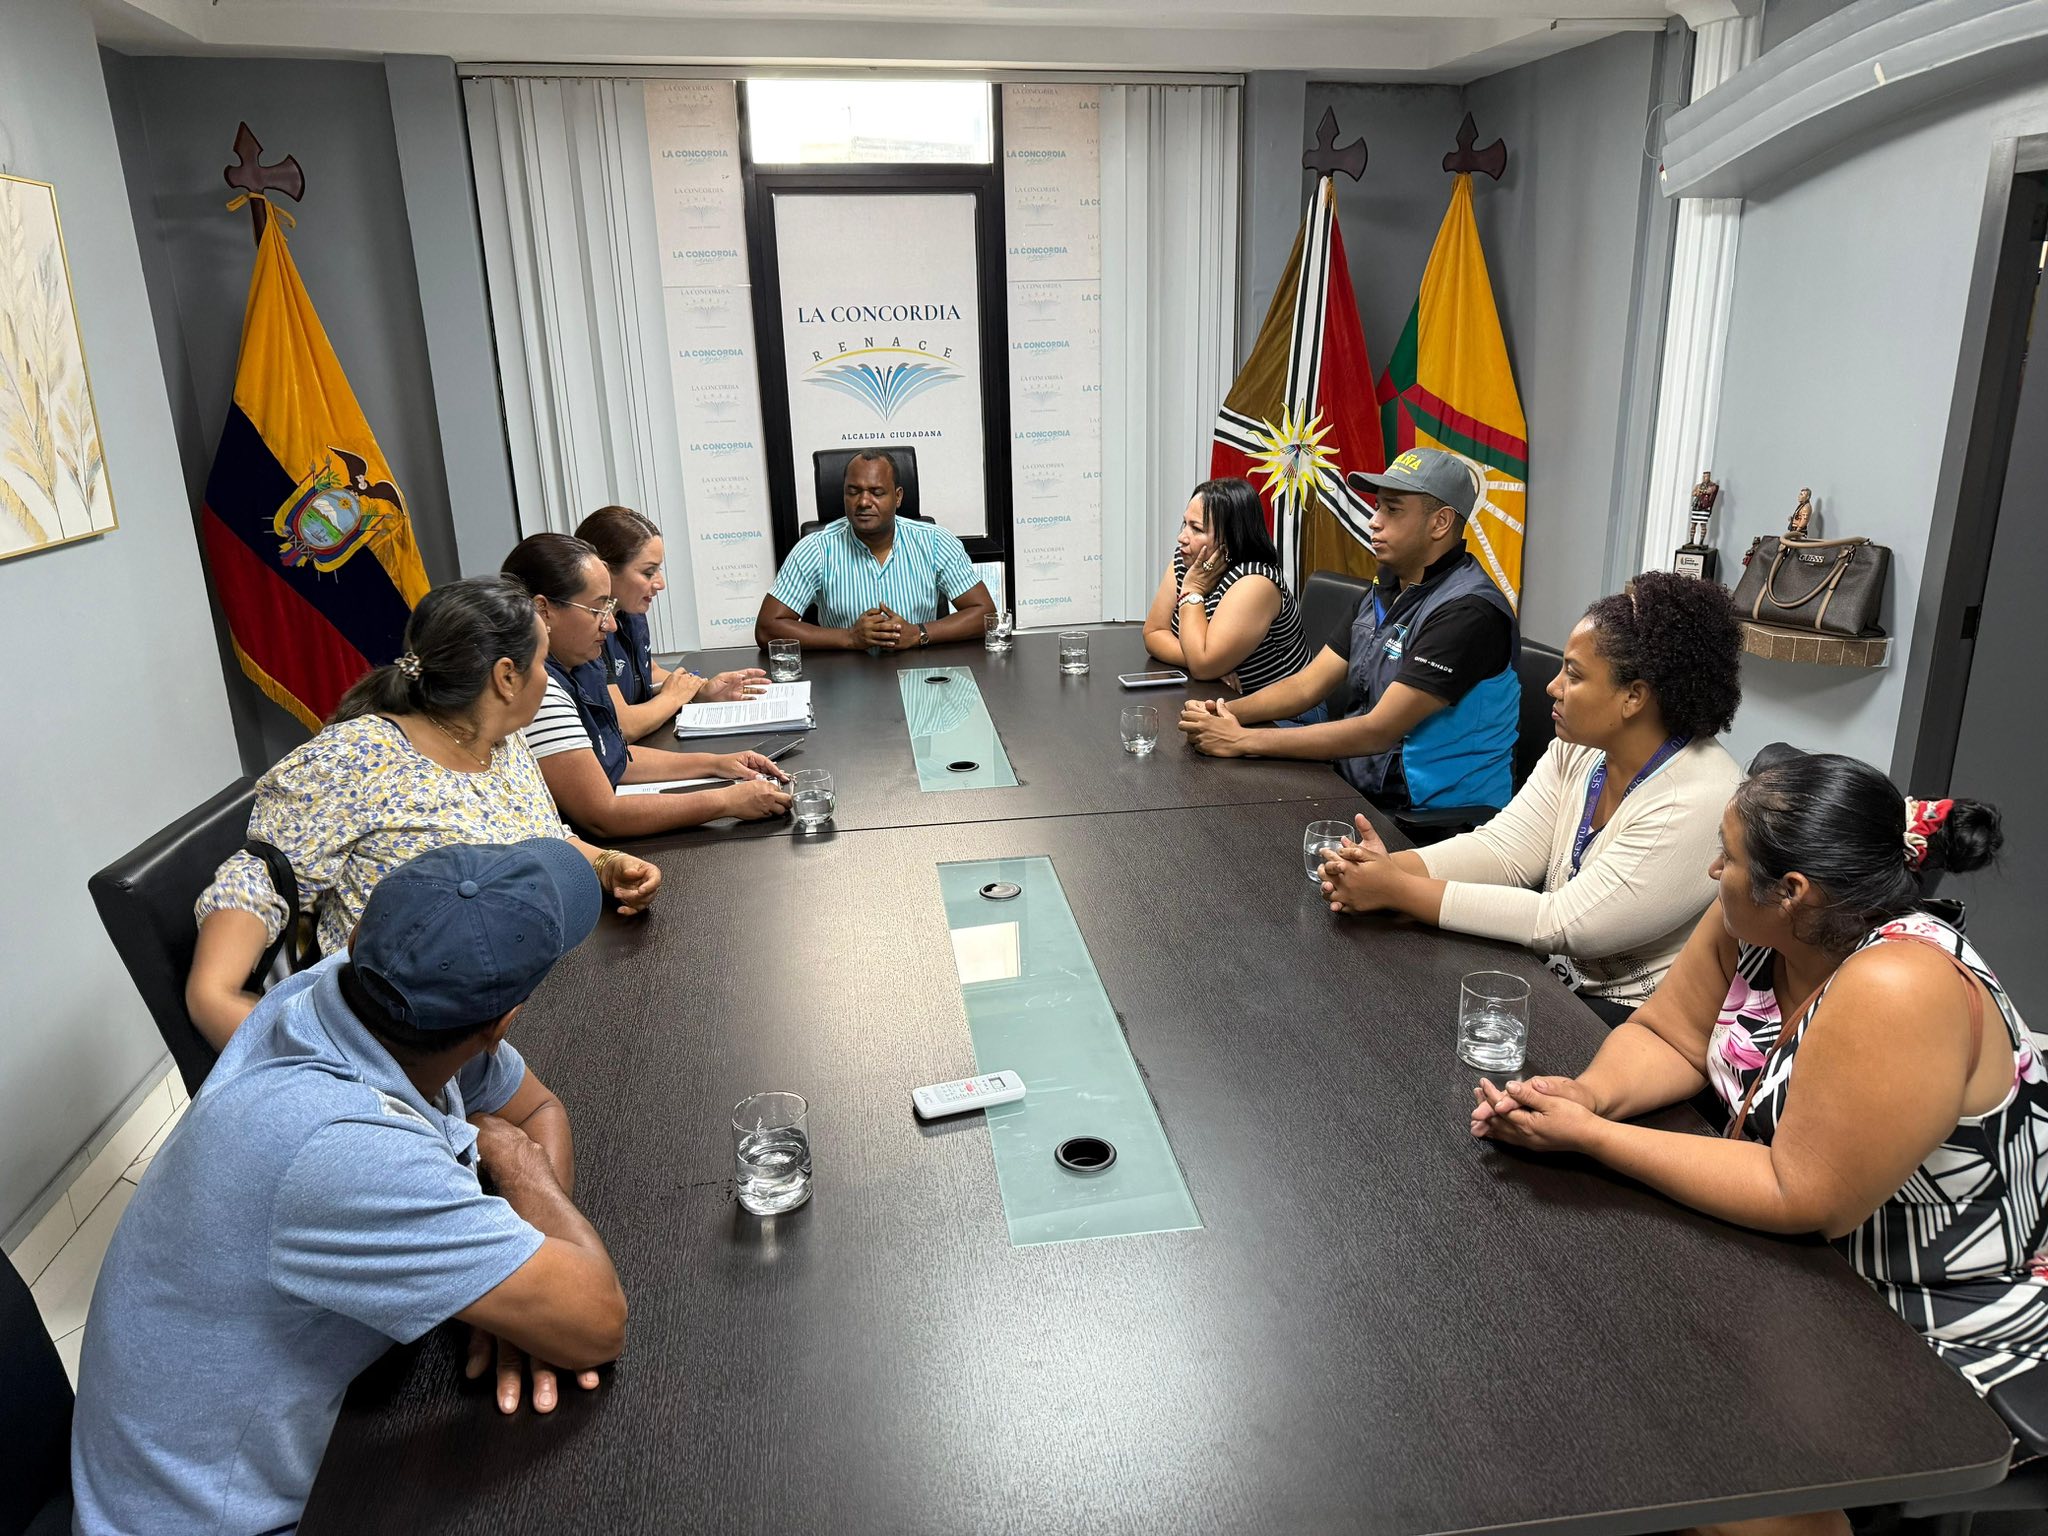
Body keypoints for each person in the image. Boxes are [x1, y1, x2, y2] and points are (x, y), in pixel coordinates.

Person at [1469, 754, 2041, 1525]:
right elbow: (1670, 1036)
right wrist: (1590, 1093)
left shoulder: (1901, 985)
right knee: (1588, 1366)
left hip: (1922, 1306)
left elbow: (1800, 1191)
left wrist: (1595, 1137)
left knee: (1721, 1470)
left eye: (1728, 857)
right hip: (1792, 1261)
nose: (1715, 870)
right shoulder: (1755, 922)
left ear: (1794, 891)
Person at [73, 840, 629, 1535]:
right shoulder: (343, 1146)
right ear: (503, 1023)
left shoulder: (349, 992)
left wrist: (517, 1275)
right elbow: (598, 1322)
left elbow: (538, 1109)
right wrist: (517, 1169)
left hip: (290, 1432)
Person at [187, 577, 661, 1051]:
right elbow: (256, 886)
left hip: (516, 1000)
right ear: (506, 677)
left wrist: (605, 864)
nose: (547, 677)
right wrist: (223, 999)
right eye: (541, 663)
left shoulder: (504, 742)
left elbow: (541, 835)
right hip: (411, 1035)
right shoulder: (355, 759)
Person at [1320, 572, 1743, 1023]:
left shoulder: (1697, 798)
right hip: (1552, 977)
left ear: (1634, 697)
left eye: (1573, 675)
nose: (1553, 687)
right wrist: (1375, 868)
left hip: (1632, 1020)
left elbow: (1562, 922)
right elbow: (1505, 852)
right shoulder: (1581, 745)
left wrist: (1397, 888)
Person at [1178, 447, 1517, 814]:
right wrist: (1222, 712)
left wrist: (1241, 740)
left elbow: (1378, 731)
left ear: (1440, 523)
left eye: (1392, 510)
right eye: (1378, 507)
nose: (1374, 521)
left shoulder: (1468, 611)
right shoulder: (1386, 588)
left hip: (1431, 816)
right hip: (1360, 785)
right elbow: (1307, 685)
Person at [504, 532, 792, 838]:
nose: (611, 624)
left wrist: (717, 763)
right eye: (598, 610)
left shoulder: (581, 663)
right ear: (543, 610)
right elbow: (603, 815)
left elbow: (615, 760)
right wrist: (726, 801)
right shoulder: (540, 691)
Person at [753, 449, 996, 652]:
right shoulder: (815, 549)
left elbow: (984, 613)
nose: (863, 502)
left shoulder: (935, 541)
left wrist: (918, 633)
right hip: (844, 678)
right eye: (853, 492)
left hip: (920, 676)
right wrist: (850, 637)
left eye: (877, 492)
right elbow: (767, 628)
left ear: (898, 497)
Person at [574, 504, 768, 741]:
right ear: (604, 570)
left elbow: (648, 670)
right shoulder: (585, 631)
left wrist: (701, 690)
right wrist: (675, 698)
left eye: (659, 570)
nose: (660, 583)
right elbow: (624, 726)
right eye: (648, 572)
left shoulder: (630, 612)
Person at [1141, 476, 1314, 699]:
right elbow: (1154, 633)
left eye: (1196, 529)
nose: (1181, 537)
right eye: (1185, 524)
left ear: (1230, 538)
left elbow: (1202, 667)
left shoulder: (1256, 583)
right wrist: (1208, 665)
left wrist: (1192, 591)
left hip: (1286, 711)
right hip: (1221, 700)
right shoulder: (1187, 561)